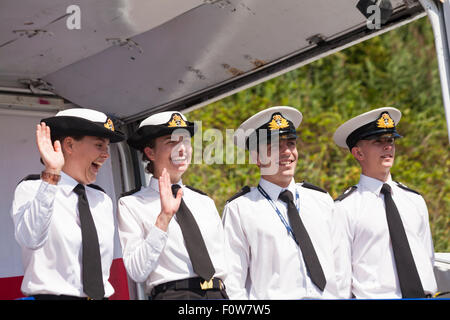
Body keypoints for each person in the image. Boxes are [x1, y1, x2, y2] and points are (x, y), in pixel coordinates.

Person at [222, 106, 348, 299]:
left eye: (291, 143)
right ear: (256, 157)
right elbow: (233, 282)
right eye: (275, 146)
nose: (287, 152)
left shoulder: (321, 201)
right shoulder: (240, 209)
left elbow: (341, 268)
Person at [11, 108, 125, 300]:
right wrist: (52, 174)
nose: (106, 155)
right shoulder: (33, 188)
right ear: (69, 145)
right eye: (99, 145)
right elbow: (31, 239)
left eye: (107, 148)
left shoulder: (102, 200)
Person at [117, 111, 228, 300]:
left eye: (185, 141)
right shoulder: (132, 204)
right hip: (175, 295)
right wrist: (164, 218)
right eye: (171, 142)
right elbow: (137, 271)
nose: (182, 149)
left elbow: (227, 266)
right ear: (150, 152)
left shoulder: (204, 202)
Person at [333, 107, 438, 299]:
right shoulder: (345, 208)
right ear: (358, 153)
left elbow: (427, 259)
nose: (388, 147)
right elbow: (341, 275)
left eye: (390, 141)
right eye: (378, 142)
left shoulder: (414, 200)